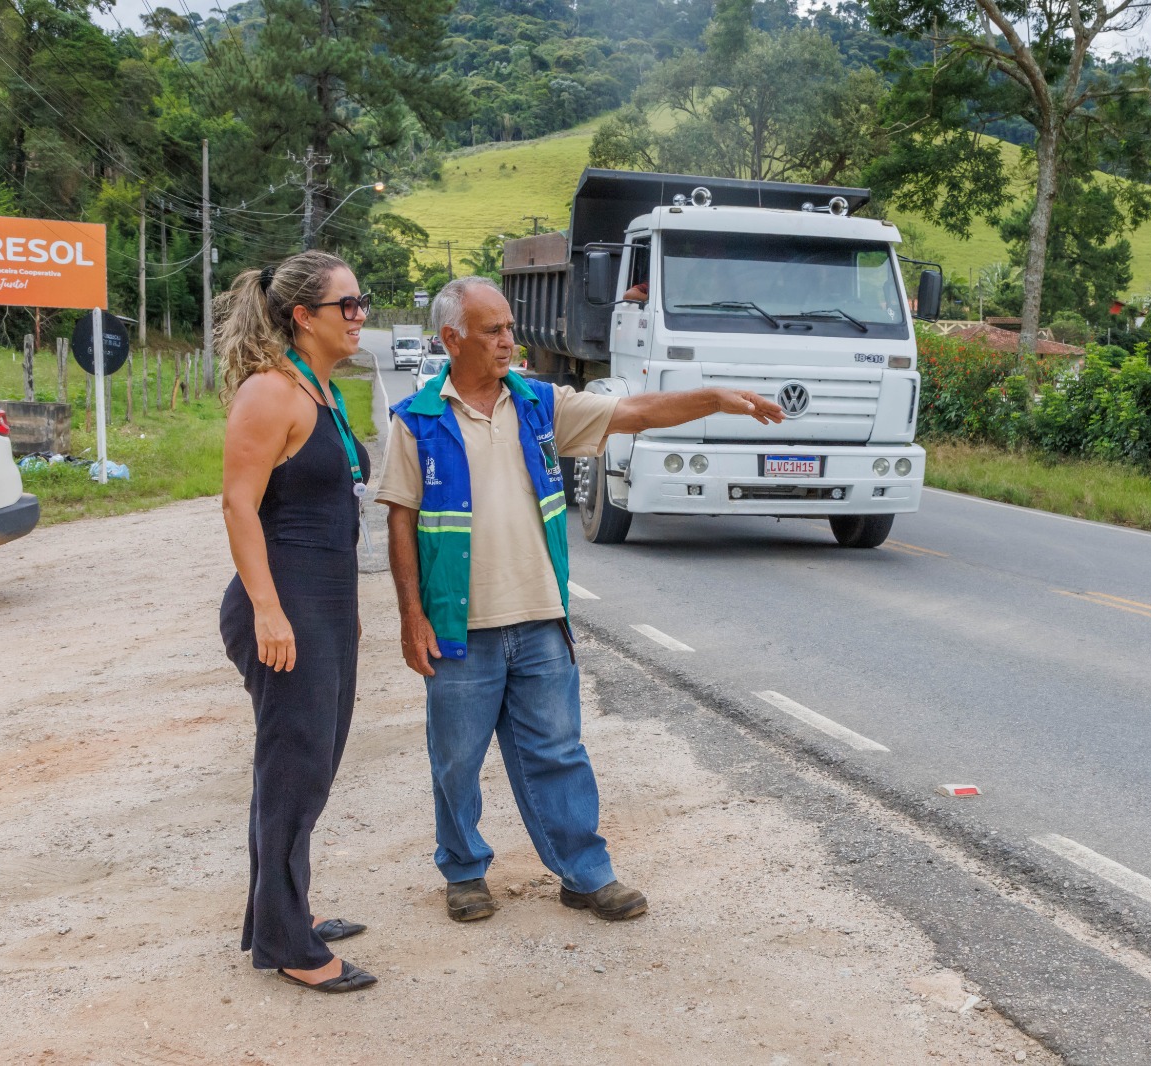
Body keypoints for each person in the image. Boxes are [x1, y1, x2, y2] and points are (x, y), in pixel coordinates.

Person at [376, 276, 783, 924]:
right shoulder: (416, 422)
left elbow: (634, 413)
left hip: (539, 620)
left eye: (510, 326)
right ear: (452, 339)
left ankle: (585, 874)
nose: (510, 339)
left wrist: (714, 400)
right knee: (456, 761)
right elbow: (399, 520)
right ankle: (463, 871)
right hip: (459, 627)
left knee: (560, 753)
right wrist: (410, 617)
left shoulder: (540, 406)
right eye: (494, 330)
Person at [217, 251, 378, 994]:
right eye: (346, 305)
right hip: (285, 603)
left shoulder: (321, 390)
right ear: (302, 316)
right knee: (294, 768)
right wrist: (269, 611)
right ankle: (288, 945)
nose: (359, 316)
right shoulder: (269, 392)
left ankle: (282, 913)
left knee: (308, 766)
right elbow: (238, 506)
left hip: (325, 601)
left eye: (362, 302)